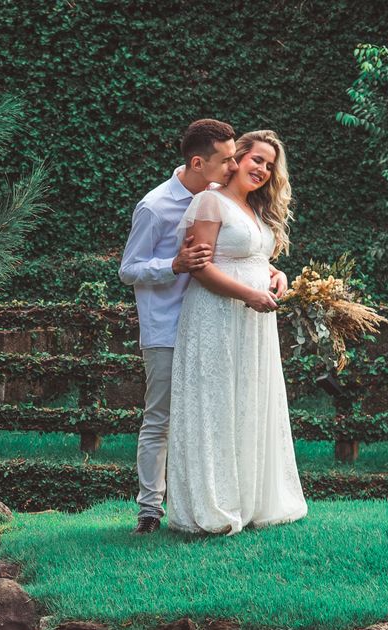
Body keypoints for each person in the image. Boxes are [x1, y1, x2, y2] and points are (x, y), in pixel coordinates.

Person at [118, 121, 285, 534]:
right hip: (166, 324)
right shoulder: (155, 207)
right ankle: (150, 509)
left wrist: (270, 271)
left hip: (213, 321)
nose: (233, 165)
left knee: (211, 413)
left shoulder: (217, 199)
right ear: (199, 162)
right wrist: (173, 265)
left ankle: (206, 496)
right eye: (227, 159)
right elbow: (128, 269)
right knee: (161, 417)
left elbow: (233, 252)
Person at [162, 129, 308, 536]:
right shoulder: (210, 201)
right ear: (237, 158)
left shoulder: (256, 212)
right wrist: (250, 295)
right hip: (216, 317)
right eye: (255, 159)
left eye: (269, 164)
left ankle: (252, 500)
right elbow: (201, 266)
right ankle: (213, 505)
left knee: (249, 402)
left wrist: (276, 275)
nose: (261, 169)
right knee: (217, 404)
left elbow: (254, 257)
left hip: (253, 321)